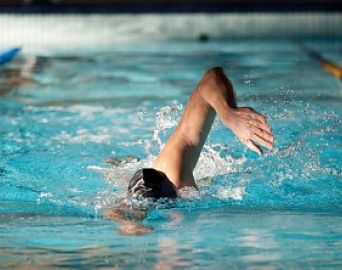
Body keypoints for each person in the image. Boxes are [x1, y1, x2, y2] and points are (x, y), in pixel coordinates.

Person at [105, 67, 274, 235]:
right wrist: (130, 225)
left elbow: (212, 77)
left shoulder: (175, 171)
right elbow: (117, 213)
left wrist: (229, 114)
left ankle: (120, 164)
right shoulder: (136, 201)